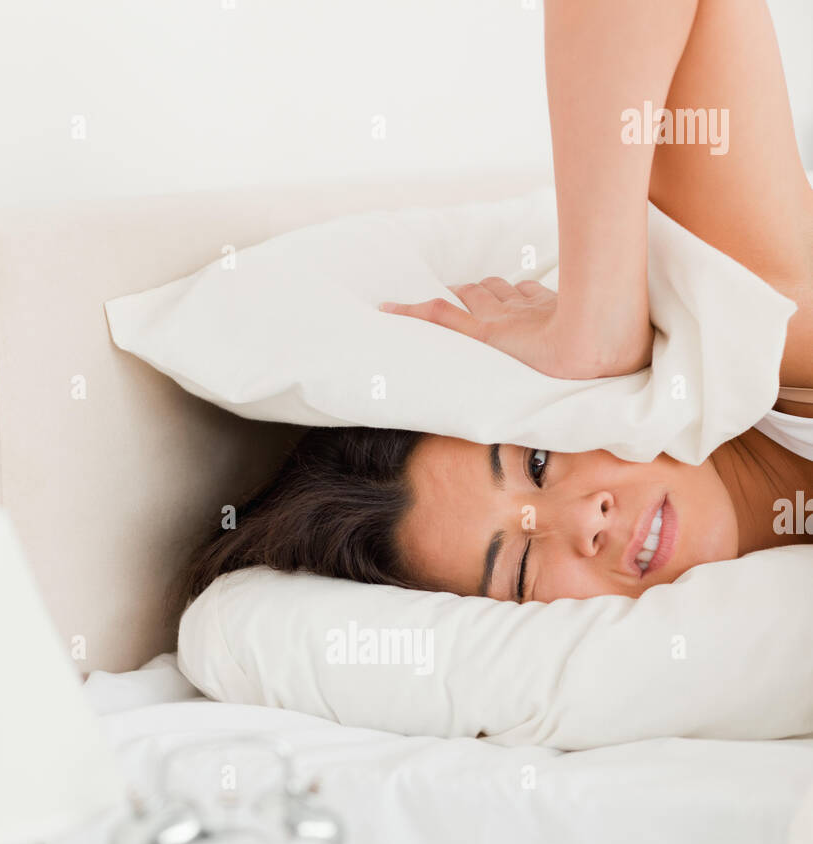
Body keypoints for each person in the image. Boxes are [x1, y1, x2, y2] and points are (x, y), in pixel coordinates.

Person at [184, 0, 813, 608]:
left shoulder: (778, 322)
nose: (583, 522)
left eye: (538, 463)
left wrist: (596, 329)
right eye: (520, 567)